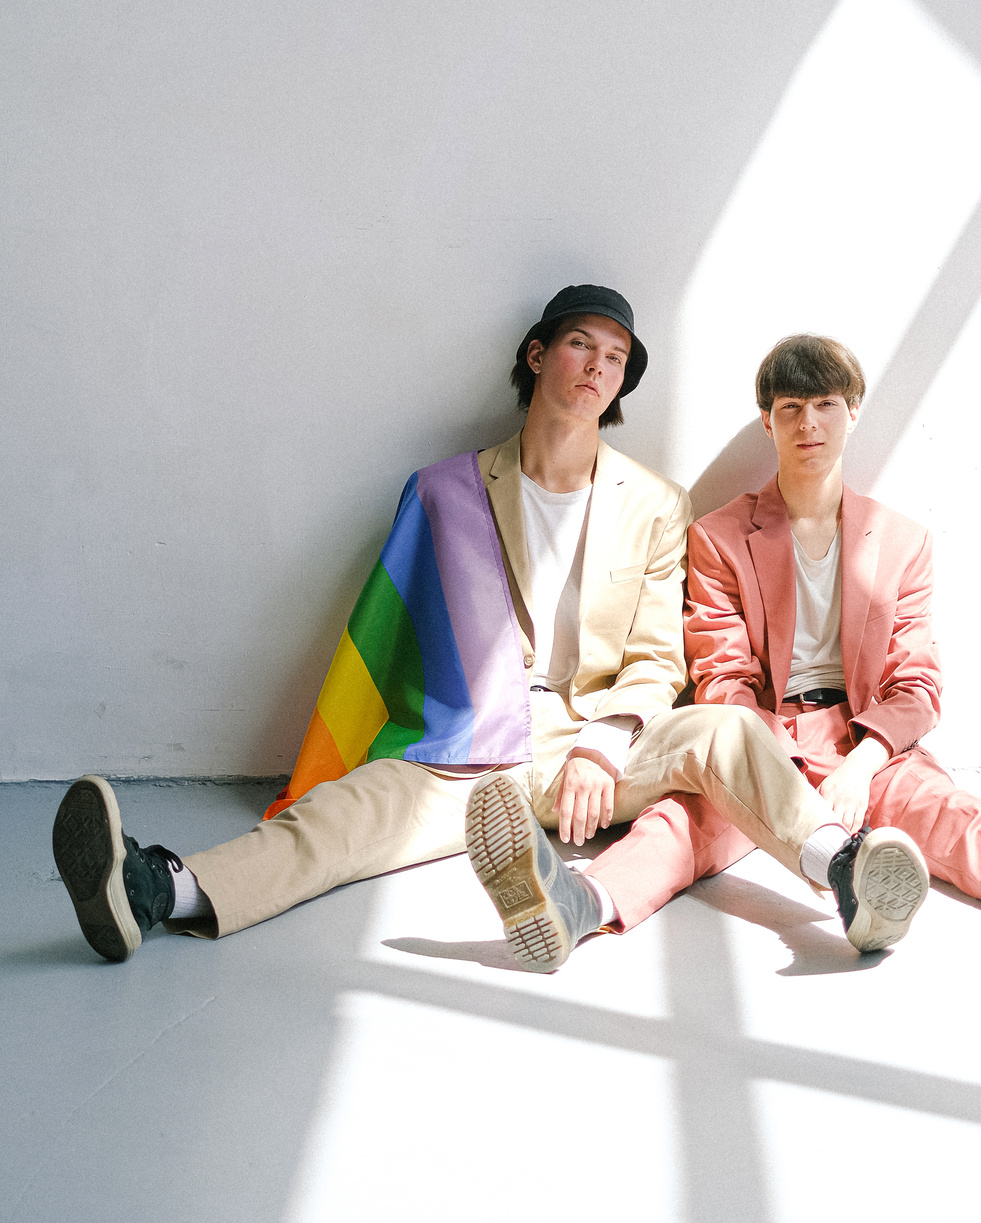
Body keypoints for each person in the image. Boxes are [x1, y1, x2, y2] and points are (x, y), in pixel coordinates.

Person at [53, 289, 925, 967]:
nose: (597, 365)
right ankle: (161, 889)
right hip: (465, 744)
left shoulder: (656, 506)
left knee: (729, 728)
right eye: (581, 342)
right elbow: (388, 634)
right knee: (337, 819)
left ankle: (844, 871)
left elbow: (660, 661)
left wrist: (605, 746)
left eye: (616, 356)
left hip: (594, 743)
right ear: (538, 355)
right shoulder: (446, 490)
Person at [468, 333, 981, 972]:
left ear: (852, 412)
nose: (807, 423)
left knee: (947, 814)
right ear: (767, 420)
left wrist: (863, 763)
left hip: (862, 736)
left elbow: (917, 683)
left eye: (824, 404)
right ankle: (574, 905)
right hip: (759, 736)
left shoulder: (903, 542)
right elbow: (722, 675)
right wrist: (776, 764)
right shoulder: (718, 536)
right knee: (681, 827)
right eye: (789, 408)